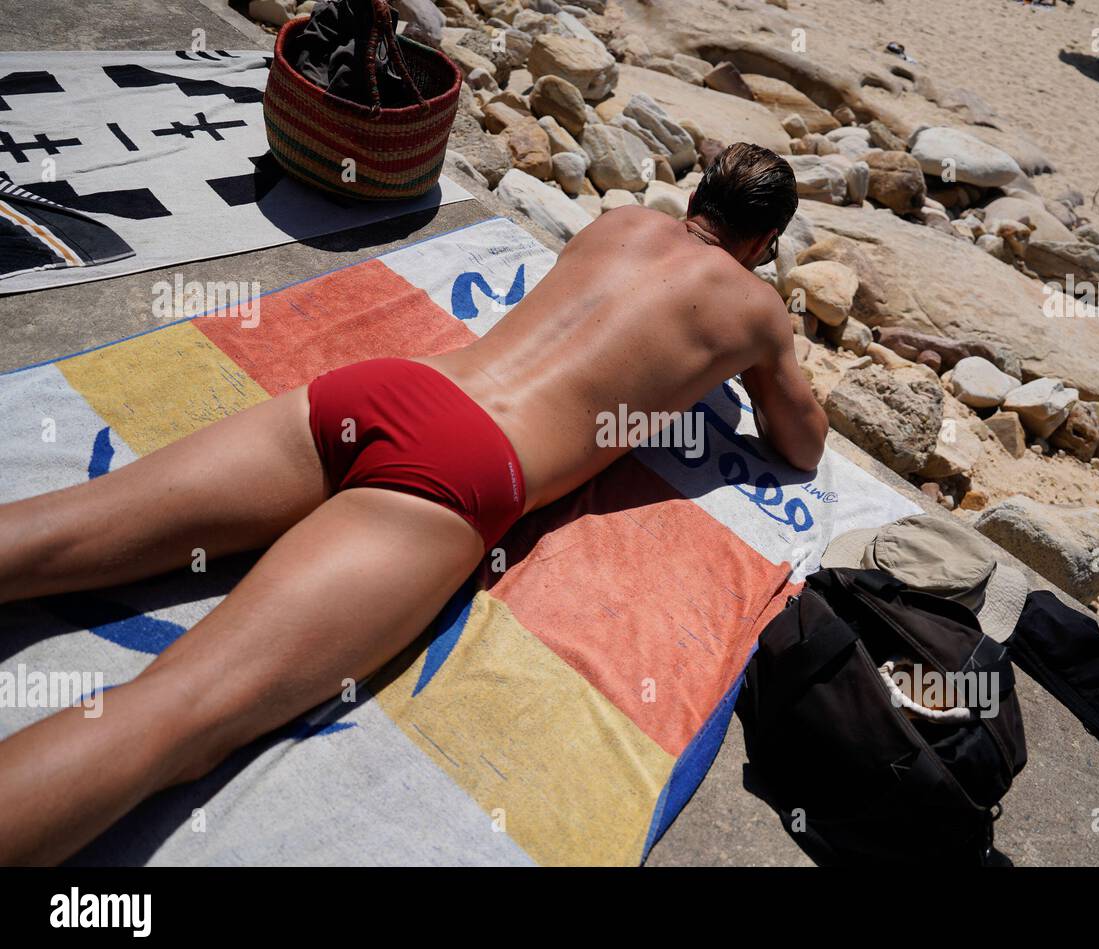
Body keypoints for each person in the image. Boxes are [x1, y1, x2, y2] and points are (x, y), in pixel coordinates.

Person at [0, 143, 828, 864]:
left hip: (392, 388)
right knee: (177, 713)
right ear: (762, 241)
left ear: (694, 199)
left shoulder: (619, 222)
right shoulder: (755, 312)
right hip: (465, 469)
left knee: (42, 536)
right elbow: (803, 443)